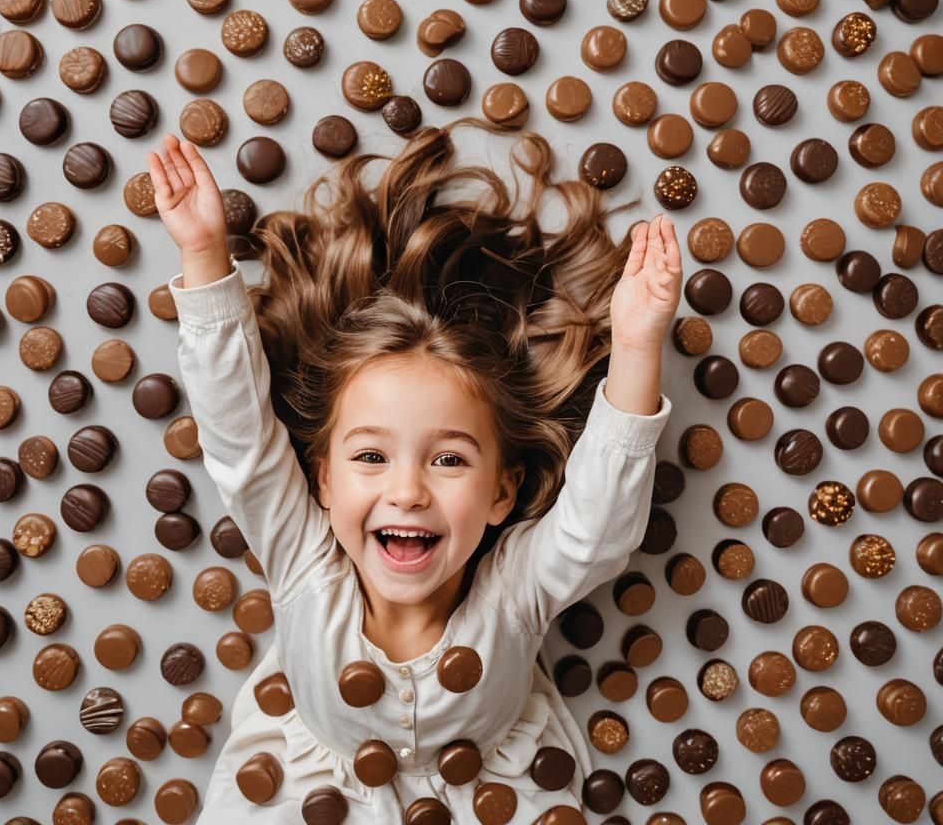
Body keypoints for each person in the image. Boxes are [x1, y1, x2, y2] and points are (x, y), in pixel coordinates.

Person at [146, 117, 681, 824]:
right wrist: (206, 254)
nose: (407, 491)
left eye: (450, 459)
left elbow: (594, 530)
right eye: (370, 456)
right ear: (324, 481)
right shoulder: (302, 563)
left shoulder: (515, 593)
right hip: (305, 800)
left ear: (501, 490)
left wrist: (639, 346)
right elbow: (240, 443)